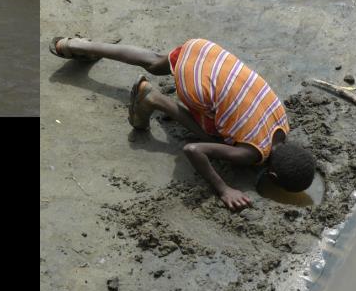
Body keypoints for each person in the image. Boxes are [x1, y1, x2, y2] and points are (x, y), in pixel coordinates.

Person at [50, 36, 316, 212]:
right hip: (197, 82)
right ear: (272, 176)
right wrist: (223, 189)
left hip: (205, 51)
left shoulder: (282, 120)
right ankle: (154, 99)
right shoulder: (252, 153)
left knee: (155, 61)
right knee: (215, 141)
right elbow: (193, 150)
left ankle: (75, 44)